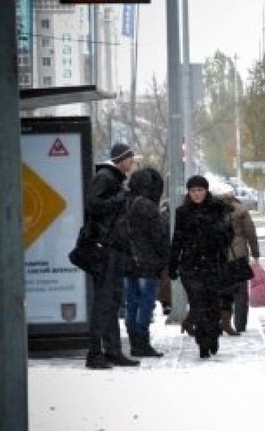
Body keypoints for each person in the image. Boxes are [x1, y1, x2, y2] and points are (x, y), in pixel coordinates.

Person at [84, 142, 140, 369]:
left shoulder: (114, 179)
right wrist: (119, 198)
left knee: (113, 301)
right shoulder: (106, 177)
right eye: (130, 158)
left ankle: (113, 351)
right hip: (104, 249)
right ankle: (95, 354)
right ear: (121, 159)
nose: (133, 162)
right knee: (103, 303)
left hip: (114, 249)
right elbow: (93, 205)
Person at [168, 175, 234, 358]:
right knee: (198, 304)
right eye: (193, 191)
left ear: (206, 191)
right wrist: (172, 263)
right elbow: (177, 238)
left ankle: (212, 336)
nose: (196, 194)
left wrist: (216, 234)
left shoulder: (218, 209)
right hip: (191, 265)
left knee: (212, 305)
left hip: (213, 264)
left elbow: (229, 235)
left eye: (200, 190)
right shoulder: (183, 212)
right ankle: (202, 342)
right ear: (188, 193)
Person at [116, 167, 170, 358]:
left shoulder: (124, 201)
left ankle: (134, 342)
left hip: (127, 262)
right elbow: (158, 236)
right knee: (145, 305)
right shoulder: (147, 206)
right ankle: (142, 343)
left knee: (131, 304)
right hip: (146, 264)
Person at [216, 183, 260, 334]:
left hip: (219, 256)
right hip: (239, 255)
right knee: (241, 293)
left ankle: (221, 320)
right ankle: (240, 324)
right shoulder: (241, 210)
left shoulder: (213, 210)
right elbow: (250, 233)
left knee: (221, 290)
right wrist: (255, 252)